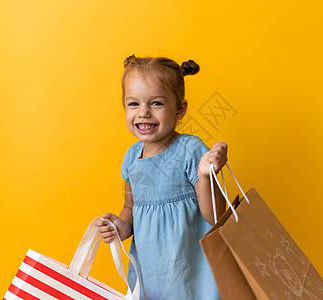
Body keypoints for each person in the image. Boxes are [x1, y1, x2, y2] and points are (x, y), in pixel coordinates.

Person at [95, 55, 227, 300]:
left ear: (179, 109)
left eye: (156, 103)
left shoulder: (190, 150)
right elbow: (130, 207)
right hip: (150, 275)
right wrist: (121, 226)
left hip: (190, 272)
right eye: (134, 104)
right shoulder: (131, 158)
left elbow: (215, 217)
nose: (143, 113)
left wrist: (206, 176)